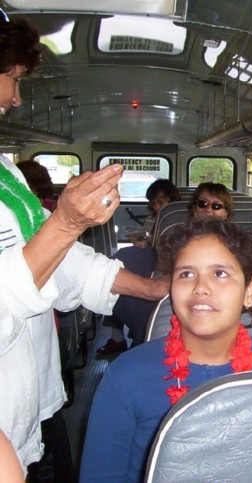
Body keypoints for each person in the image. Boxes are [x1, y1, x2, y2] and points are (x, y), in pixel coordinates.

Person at [0, 17, 169, 479]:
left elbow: (62, 261)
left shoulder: (6, 174)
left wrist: (151, 289)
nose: (16, 98)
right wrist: (68, 221)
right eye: (13, 79)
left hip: (36, 399)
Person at [81, 218, 252, 482]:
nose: (200, 288)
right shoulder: (126, 376)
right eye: (186, 274)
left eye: (220, 273)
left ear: (249, 291)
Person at [96, 178, 180, 355]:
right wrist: (144, 242)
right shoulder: (153, 219)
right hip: (151, 259)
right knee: (119, 275)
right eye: (154, 203)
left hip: (167, 264)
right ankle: (117, 335)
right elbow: (150, 241)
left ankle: (140, 333)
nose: (158, 207)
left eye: (161, 202)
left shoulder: (180, 219)